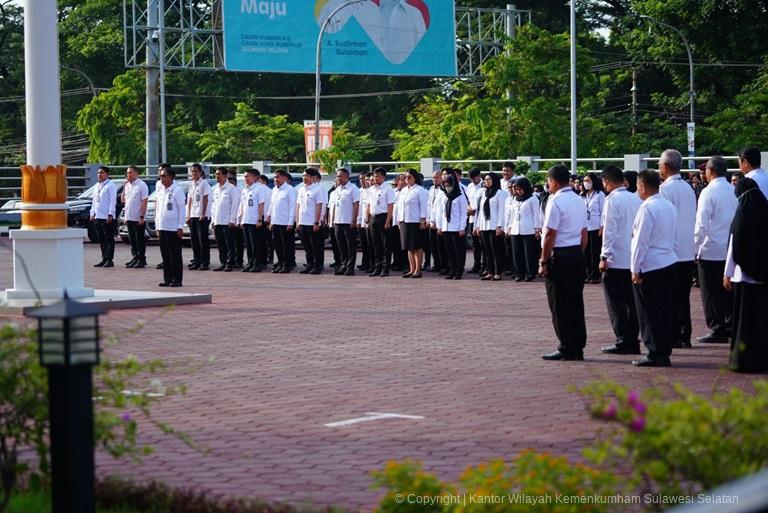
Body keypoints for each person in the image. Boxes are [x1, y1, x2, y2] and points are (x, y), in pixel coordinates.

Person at [630, 169, 680, 367]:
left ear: (642, 186)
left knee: (648, 311)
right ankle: (664, 348)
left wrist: (635, 268)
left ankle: (654, 351)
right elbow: (675, 236)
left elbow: (640, 242)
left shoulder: (647, 208)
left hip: (650, 265)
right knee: (664, 308)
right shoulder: (669, 206)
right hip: (669, 261)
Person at [539, 165, 588, 361]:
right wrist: (578, 253)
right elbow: (584, 233)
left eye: (548, 181)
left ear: (554, 182)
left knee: (559, 303)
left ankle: (566, 345)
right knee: (575, 301)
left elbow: (550, 233)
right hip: (576, 252)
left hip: (559, 255)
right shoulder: (578, 199)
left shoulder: (555, 200)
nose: (548, 185)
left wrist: (543, 260)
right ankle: (577, 345)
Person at [725, 177, 768, 373]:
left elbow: (735, 244)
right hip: (764, 275)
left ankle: (742, 360)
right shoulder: (765, 209)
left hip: (744, 276)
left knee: (744, 321)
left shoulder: (742, 211)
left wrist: (727, 273)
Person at [693, 156, 738, 344]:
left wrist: (695, 247)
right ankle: (729, 326)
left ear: (710, 171)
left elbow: (701, 224)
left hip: (710, 248)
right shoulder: (733, 190)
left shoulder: (708, 192)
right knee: (728, 291)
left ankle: (717, 328)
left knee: (711, 293)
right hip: (729, 248)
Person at [599, 165, 642, 355]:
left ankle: (623, 339)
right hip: (632, 257)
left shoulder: (611, 201)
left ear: (606, 182)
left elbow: (609, 230)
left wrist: (604, 256)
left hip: (616, 258)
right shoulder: (636, 199)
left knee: (615, 302)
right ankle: (633, 338)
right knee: (632, 302)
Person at [659, 149, 697, 348]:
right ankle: (685, 334)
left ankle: (675, 334)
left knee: (671, 297)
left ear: (665, 166)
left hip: (672, 250)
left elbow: (665, 220)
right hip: (687, 248)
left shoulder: (665, 189)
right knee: (683, 296)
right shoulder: (688, 188)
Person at [155, 166, 186, 287]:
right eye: (160, 176)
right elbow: (158, 209)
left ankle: (177, 279)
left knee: (175, 255)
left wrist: (180, 226)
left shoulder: (177, 191)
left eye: (164, 176)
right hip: (163, 227)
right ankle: (167, 278)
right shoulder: (161, 190)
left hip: (173, 228)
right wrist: (157, 226)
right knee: (165, 255)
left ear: (171, 177)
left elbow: (181, 209)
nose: (161, 178)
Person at [506, 177, 541, 282]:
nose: (518, 191)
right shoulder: (514, 199)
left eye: (520, 189)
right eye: (516, 189)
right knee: (517, 253)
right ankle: (519, 273)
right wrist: (508, 227)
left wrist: (536, 228)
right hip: (515, 228)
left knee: (528, 253)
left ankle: (530, 273)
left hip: (528, 229)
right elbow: (511, 215)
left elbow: (536, 214)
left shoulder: (532, 198)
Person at [475, 173, 508, 281]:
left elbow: (502, 211)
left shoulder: (500, 193)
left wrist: (499, 226)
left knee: (496, 250)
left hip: (494, 226)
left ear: (494, 180)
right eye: (485, 179)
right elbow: (480, 211)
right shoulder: (484, 193)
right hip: (484, 225)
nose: (486, 181)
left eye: (489, 179)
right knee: (487, 250)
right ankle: (490, 271)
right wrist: (478, 226)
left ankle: (498, 272)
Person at [397, 169, 429, 278]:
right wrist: (399, 219)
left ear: (415, 178)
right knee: (408, 247)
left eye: (409, 177)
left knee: (417, 246)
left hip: (415, 221)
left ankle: (418, 269)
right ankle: (411, 268)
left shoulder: (420, 190)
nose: (407, 179)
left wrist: (422, 221)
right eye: (405, 177)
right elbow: (400, 206)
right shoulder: (404, 190)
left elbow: (424, 207)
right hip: (404, 220)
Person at [436, 173, 468, 279]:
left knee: (458, 251)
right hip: (446, 227)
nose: (447, 187)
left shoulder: (460, 195)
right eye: (445, 185)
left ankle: (458, 271)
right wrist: (439, 226)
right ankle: (451, 270)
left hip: (457, 228)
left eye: (449, 184)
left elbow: (464, 213)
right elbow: (440, 212)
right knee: (449, 251)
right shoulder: (444, 196)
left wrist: (462, 228)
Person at [329, 168, 360, 276]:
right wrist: (332, 220)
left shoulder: (353, 188)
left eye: (340, 176)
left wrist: (354, 219)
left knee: (350, 245)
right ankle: (343, 265)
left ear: (346, 176)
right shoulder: (337, 190)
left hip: (348, 221)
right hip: (338, 221)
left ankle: (350, 267)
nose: (338, 178)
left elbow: (356, 204)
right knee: (341, 245)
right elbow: (334, 206)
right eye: (337, 176)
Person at [367, 167, 396, 277]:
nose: (375, 178)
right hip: (373, 217)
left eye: (378, 176)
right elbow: (369, 205)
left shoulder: (387, 189)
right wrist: (368, 219)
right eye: (374, 176)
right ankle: (377, 266)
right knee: (376, 244)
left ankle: (385, 268)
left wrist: (388, 221)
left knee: (385, 244)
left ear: (383, 177)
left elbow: (390, 206)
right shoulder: (372, 189)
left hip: (383, 217)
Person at [297, 167, 326, 275]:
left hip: (312, 222)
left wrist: (317, 222)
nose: (304, 178)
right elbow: (298, 206)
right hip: (303, 221)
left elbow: (319, 206)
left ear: (313, 177)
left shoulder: (317, 189)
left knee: (315, 246)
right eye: (303, 176)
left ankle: (317, 266)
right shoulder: (301, 189)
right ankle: (309, 265)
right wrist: (298, 221)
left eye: (306, 176)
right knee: (307, 246)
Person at [268, 169, 297, 273]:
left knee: (286, 246)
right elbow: (272, 205)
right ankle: (280, 263)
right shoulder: (274, 190)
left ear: (284, 178)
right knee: (278, 245)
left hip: (285, 222)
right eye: (275, 177)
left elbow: (292, 207)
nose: (276, 179)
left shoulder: (290, 190)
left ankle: (287, 265)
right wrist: (269, 217)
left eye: (278, 177)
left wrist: (290, 222)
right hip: (276, 221)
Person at [239, 169, 268, 273]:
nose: (246, 179)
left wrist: (260, 219)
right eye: (245, 177)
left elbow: (261, 204)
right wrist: (241, 219)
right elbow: (242, 205)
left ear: (255, 177)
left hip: (255, 220)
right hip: (246, 220)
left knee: (256, 243)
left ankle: (257, 263)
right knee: (248, 244)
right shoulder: (244, 190)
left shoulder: (259, 189)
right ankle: (250, 262)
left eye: (248, 176)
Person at [211, 167, 238, 272]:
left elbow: (234, 205)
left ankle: (229, 263)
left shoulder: (231, 188)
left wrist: (232, 220)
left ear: (225, 175)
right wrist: (213, 220)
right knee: (220, 243)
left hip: (227, 221)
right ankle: (223, 262)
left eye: (219, 174)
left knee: (229, 244)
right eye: (216, 174)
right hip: (217, 220)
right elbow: (213, 206)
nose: (217, 176)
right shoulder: (216, 189)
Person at [122, 165, 149, 268]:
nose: (128, 175)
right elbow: (123, 200)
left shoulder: (142, 185)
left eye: (130, 173)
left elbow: (144, 201)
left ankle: (141, 259)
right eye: (127, 173)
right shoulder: (128, 185)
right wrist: (124, 186)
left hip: (138, 217)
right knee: (132, 240)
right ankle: (135, 257)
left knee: (139, 240)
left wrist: (142, 216)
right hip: (129, 216)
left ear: (136, 173)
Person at [186, 163, 211, 271]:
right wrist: (188, 215)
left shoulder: (204, 184)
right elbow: (189, 200)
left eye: (195, 171)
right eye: (192, 171)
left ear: (200, 172)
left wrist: (203, 213)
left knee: (203, 240)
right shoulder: (191, 184)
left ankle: (204, 262)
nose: (194, 173)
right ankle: (196, 261)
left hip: (201, 216)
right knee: (194, 240)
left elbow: (205, 199)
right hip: (193, 214)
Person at [90, 165, 117, 268]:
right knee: (101, 239)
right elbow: (94, 201)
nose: (99, 175)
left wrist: (110, 214)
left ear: (107, 174)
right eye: (98, 173)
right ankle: (104, 258)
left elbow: (112, 201)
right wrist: (92, 213)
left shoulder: (111, 185)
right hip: (98, 216)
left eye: (101, 173)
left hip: (107, 216)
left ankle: (109, 259)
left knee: (108, 238)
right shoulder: (97, 186)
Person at [582, 172, 605, 284]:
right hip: (585, 227)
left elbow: (603, 212)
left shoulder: (599, 194)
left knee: (595, 251)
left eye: (588, 181)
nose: (586, 183)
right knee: (586, 252)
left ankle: (595, 275)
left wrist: (602, 227)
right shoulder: (582, 195)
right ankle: (587, 274)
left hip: (595, 226)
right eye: (585, 181)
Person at [427, 169, 447, 273]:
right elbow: (429, 205)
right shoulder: (431, 189)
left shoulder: (444, 189)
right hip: (432, 221)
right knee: (433, 245)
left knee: (442, 246)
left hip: (441, 222)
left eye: (437, 177)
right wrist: (428, 220)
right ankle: (436, 264)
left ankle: (444, 265)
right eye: (433, 177)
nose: (435, 179)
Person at [466, 168, 485, 274]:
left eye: (474, 178)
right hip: (472, 218)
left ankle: (484, 265)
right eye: (471, 178)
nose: (473, 180)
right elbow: (468, 200)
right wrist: (469, 208)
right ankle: (476, 264)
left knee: (483, 243)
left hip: (481, 218)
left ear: (479, 176)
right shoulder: (470, 186)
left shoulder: (483, 186)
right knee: (475, 243)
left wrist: (475, 210)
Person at [389, 174, 407, 271]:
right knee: (395, 244)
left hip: (402, 222)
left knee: (403, 244)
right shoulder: (394, 192)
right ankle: (396, 262)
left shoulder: (406, 192)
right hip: (394, 222)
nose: (399, 182)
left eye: (402, 180)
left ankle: (404, 263)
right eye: (399, 180)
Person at [227, 171, 245, 269]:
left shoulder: (241, 190)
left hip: (238, 220)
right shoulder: (226, 189)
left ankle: (239, 261)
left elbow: (240, 206)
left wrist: (238, 220)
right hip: (228, 219)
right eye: (229, 179)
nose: (230, 181)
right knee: (230, 242)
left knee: (239, 242)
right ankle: (231, 260)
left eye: (232, 179)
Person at [357, 172, 372, 272]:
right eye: (361, 179)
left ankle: (371, 264)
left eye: (365, 179)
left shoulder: (370, 191)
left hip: (369, 221)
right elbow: (359, 208)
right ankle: (365, 263)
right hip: (362, 220)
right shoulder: (359, 191)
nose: (363, 181)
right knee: (364, 244)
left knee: (370, 244)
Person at [258, 174, 273, 267]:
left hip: (262, 217)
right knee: (266, 240)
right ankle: (266, 258)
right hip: (264, 217)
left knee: (262, 240)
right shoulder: (271, 191)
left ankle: (263, 260)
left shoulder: (264, 190)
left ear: (264, 181)